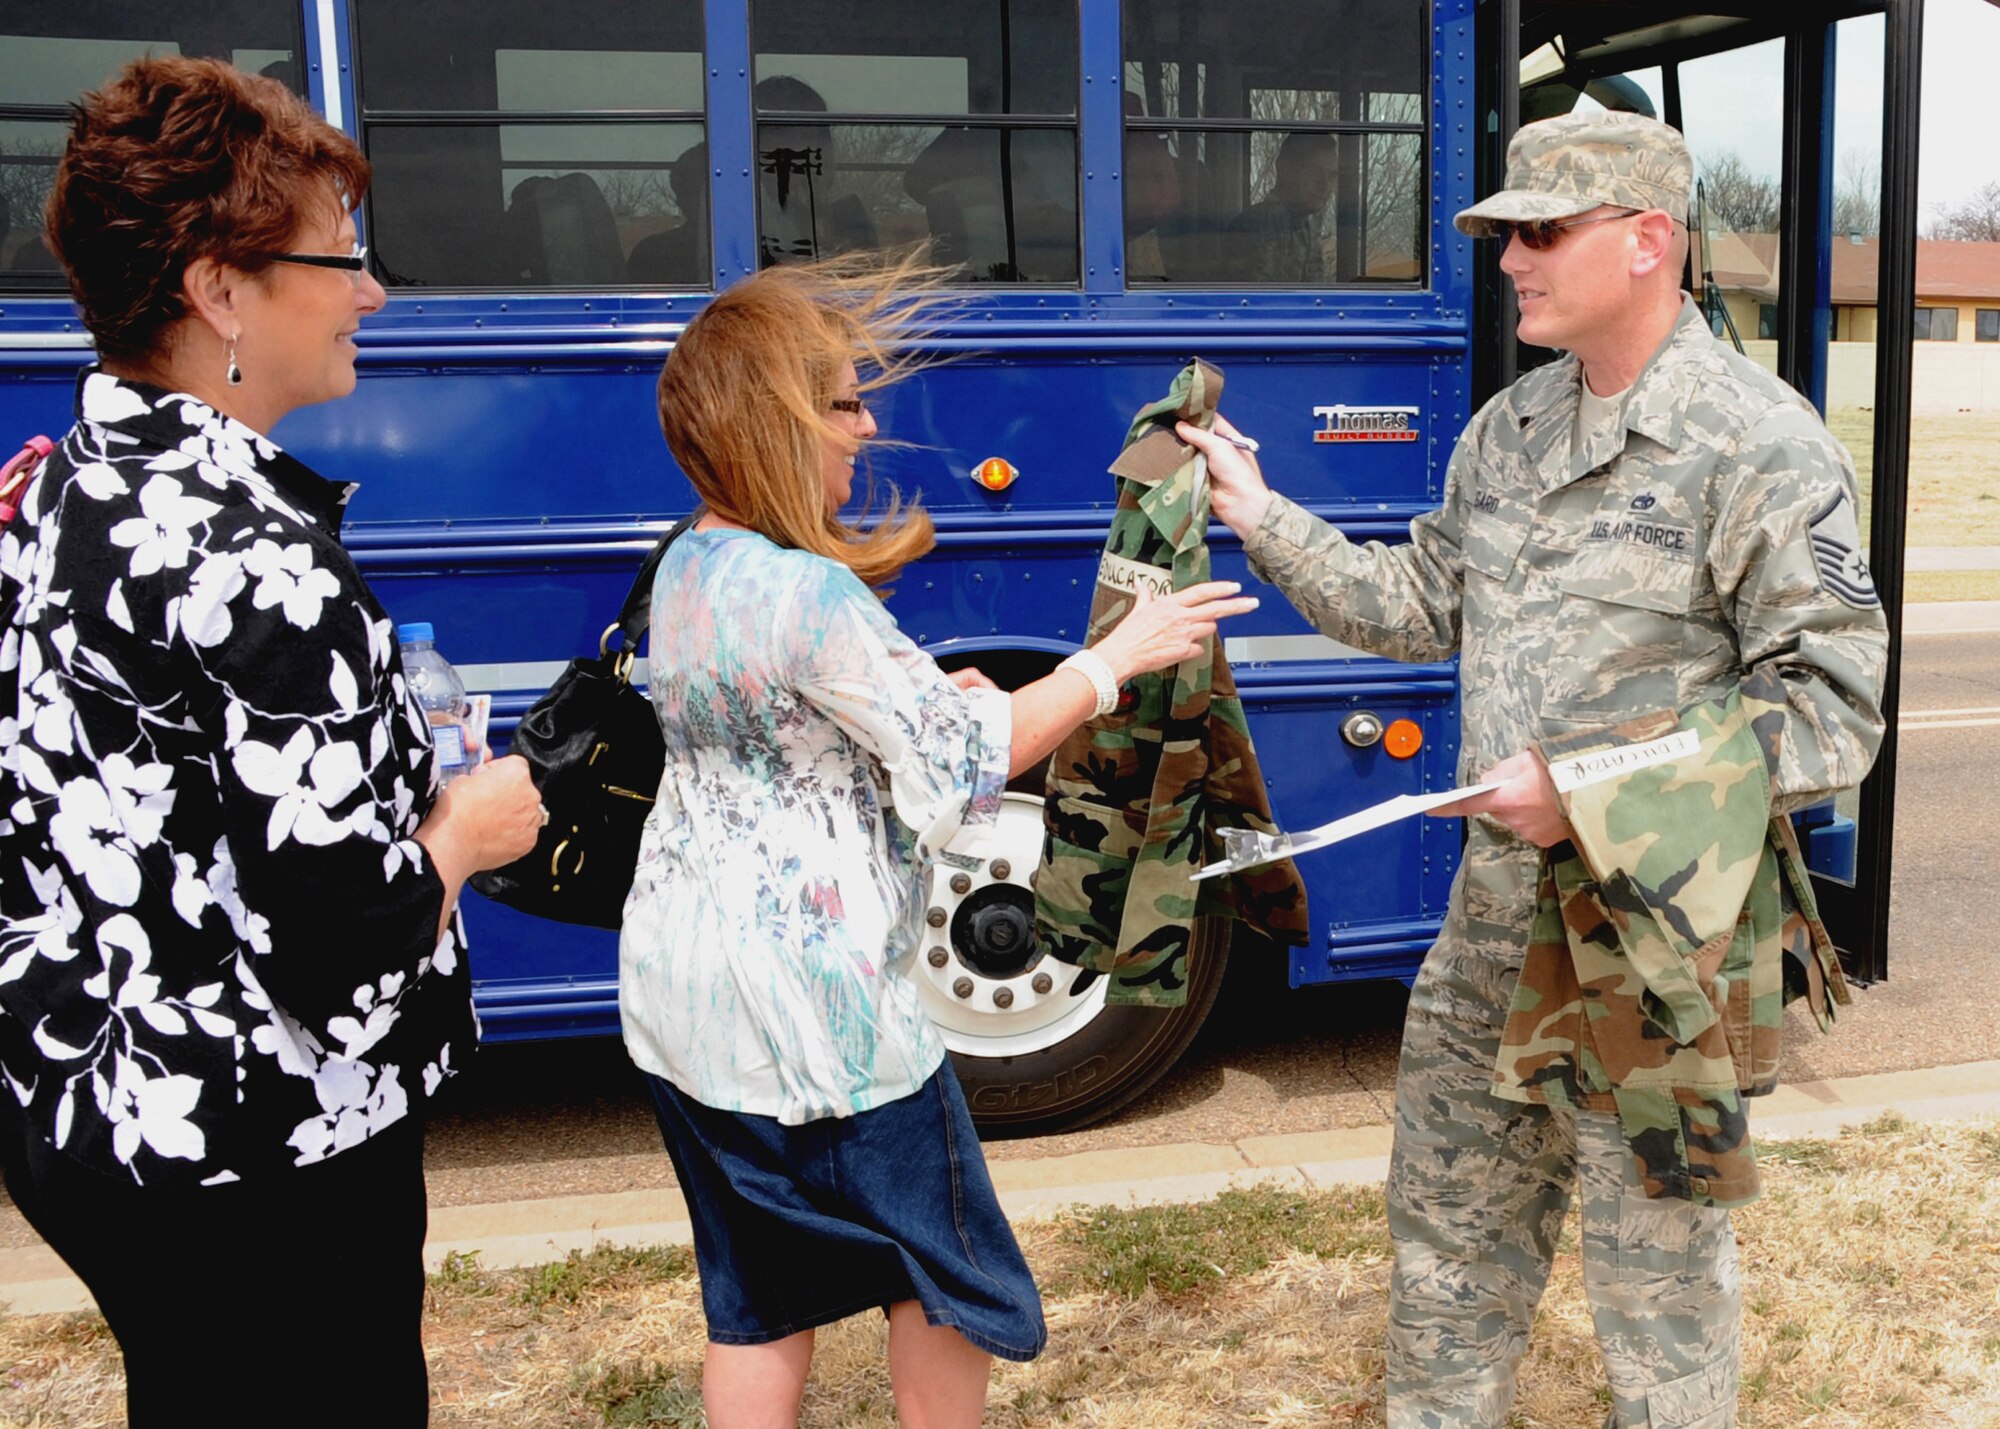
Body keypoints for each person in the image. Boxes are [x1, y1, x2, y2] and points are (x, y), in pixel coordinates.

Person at [1179, 110, 1889, 1428]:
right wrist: (1260, 513)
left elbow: (1831, 713)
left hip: (1665, 947)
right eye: (1505, 235)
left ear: (1648, 240)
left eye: (1540, 232)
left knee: (1662, 1296)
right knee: (1445, 1248)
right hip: (1493, 928)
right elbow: (1411, 603)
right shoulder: (1508, 430)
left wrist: (1589, 787)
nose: (1510, 259)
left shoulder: (1761, 444)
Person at [623, 256, 1258, 1428]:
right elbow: (967, 760)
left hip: (682, 997)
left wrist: (924, 700)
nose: (866, 426)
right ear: (774, 419)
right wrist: (1114, 657)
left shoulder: (686, 566)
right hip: (822, 1014)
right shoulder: (811, 593)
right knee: (943, 1274)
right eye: (840, 402)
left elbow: (780, 732)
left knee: (758, 1295)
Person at [0, 56, 543, 1424]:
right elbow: (344, 937)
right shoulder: (255, 558)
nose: (369, 290)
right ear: (218, 287)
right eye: (341, 255)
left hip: (83, 1108)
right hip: (261, 1148)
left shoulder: (50, 484)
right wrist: (467, 830)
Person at [1226, 131, 1337, 283]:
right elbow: (1260, 301)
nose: (1325, 186)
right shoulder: (1256, 225)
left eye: (1331, 176)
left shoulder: (1307, 227)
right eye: (1314, 172)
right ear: (1286, 169)